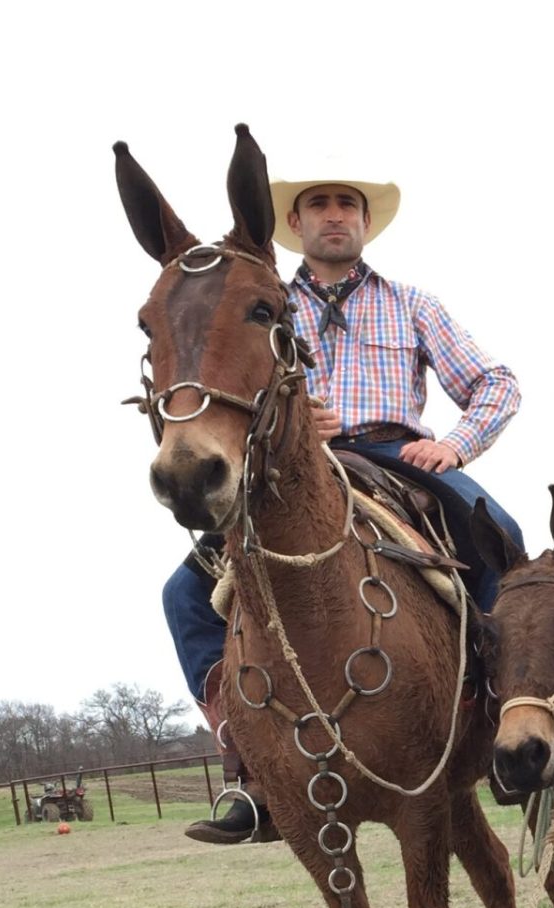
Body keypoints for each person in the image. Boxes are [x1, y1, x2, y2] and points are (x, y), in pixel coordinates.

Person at [165, 165, 524, 843]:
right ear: (294, 225)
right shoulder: (262, 300)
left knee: (498, 536)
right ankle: (251, 767)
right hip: (292, 472)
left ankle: (503, 720)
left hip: (396, 458)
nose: (334, 215)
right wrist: (293, 419)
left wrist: (452, 445)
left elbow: (496, 384)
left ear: (364, 222)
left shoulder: (412, 303)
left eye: (347, 205)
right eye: (318, 205)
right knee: (182, 597)